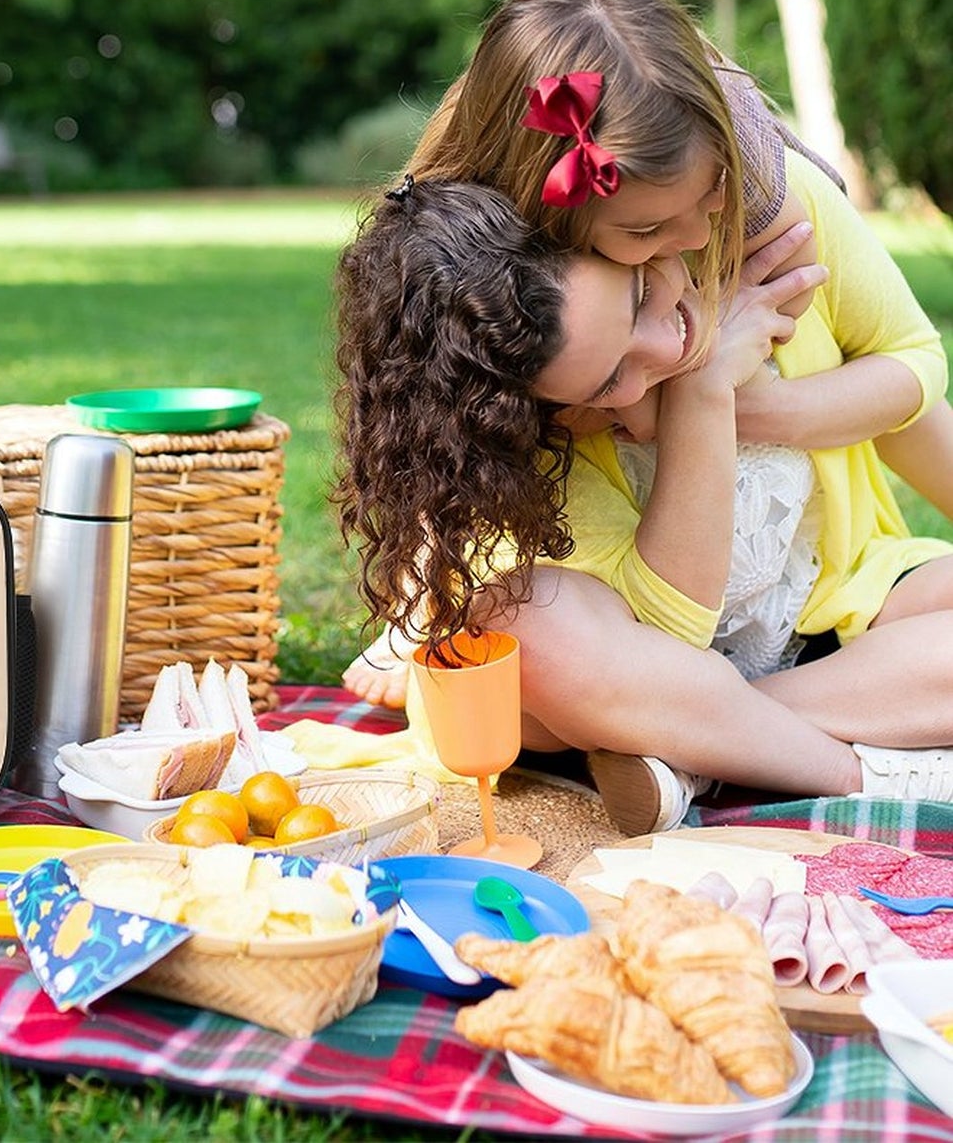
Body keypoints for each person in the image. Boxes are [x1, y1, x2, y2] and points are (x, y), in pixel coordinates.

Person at [341, 0, 953, 718]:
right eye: (643, 233)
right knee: (528, 664)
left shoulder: (771, 214)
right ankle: (740, 723)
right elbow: (451, 455)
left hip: (833, 590)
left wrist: (750, 407)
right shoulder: (526, 329)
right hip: (640, 630)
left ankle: (725, 733)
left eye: (710, 193)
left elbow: (914, 363)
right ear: (548, 218)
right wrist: (693, 393)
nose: (695, 235)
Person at [310, 174, 953, 834]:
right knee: (525, 626)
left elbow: (910, 385)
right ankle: (858, 771)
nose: (663, 345)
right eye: (609, 377)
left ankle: (694, 758)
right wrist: (700, 393)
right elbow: (669, 640)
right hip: (634, 670)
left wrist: (749, 402)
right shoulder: (541, 410)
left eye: (641, 292)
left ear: (621, 236)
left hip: (825, 620)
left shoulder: (765, 228)